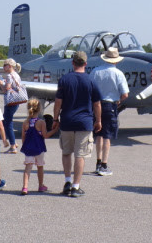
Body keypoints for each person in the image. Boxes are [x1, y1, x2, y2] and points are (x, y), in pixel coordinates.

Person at [53, 51, 102, 198]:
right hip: (84, 122)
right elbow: (97, 104)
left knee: (66, 152)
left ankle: (67, 181)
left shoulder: (64, 80)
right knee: (80, 155)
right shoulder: (91, 81)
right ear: (86, 64)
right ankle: (75, 186)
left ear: (73, 63)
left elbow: (58, 103)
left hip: (67, 121)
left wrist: (55, 119)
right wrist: (98, 120)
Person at [90, 47, 129, 176]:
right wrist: (118, 101)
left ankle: (98, 162)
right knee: (107, 136)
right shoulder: (118, 74)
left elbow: (90, 88)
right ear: (116, 60)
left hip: (96, 105)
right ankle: (104, 165)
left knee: (99, 134)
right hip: (110, 106)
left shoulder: (95, 71)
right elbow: (125, 94)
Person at [20, 98, 59, 195]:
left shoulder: (25, 123)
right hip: (39, 148)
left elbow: (23, 137)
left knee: (28, 167)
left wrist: (25, 146)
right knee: (40, 166)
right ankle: (41, 185)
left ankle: (25, 187)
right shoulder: (41, 122)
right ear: (39, 109)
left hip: (29, 148)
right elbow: (45, 135)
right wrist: (54, 131)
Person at [0, 58, 23, 153]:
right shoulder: (16, 75)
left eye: (5, 65)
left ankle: (12, 145)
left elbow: (6, 89)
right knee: (8, 122)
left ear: (10, 66)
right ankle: (13, 143)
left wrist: (1, 84)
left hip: (10, 102)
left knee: (8, 123)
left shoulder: (9, 76)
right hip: (16, 102)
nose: (3, 67)